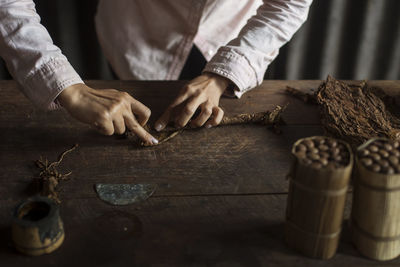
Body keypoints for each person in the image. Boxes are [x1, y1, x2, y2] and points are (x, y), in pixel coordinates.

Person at [0, 0, 313, 145]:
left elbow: (290, 4)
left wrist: (224, 73)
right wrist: (65, 86)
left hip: (230, 33)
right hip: (134, 33)